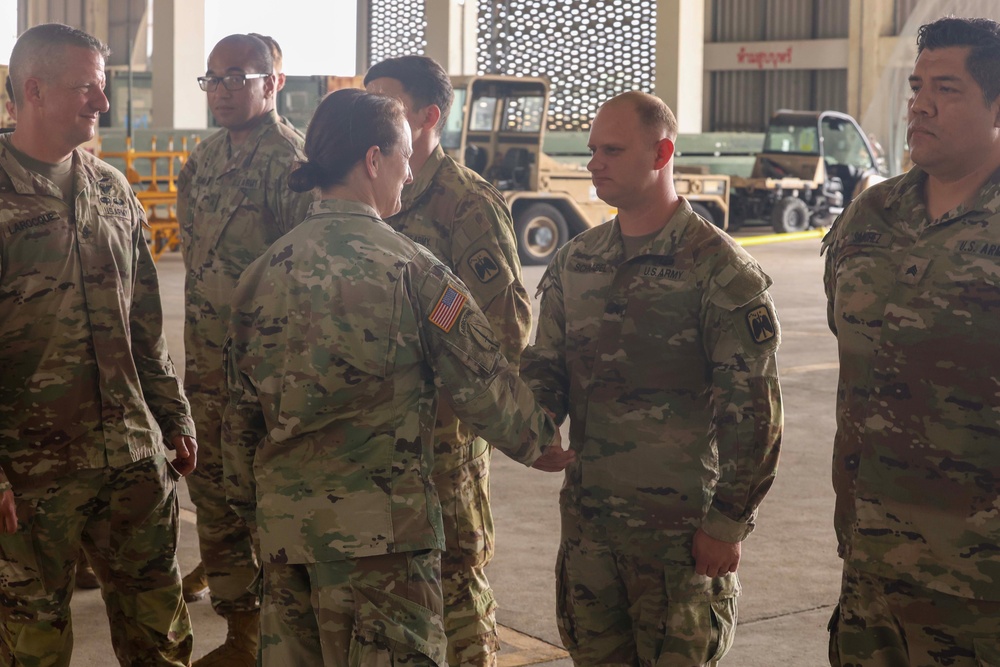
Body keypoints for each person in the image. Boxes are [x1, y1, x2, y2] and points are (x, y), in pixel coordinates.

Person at [221, 88, 574, 667]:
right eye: (405, 158)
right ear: (372, 160)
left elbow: (236, 414)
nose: (410, 175)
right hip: (383, 541)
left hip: (286, 535)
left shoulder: (262, 272)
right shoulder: (413, 270)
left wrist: (249, 507)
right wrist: (538, 441)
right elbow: (481, 378)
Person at [520, 91, 783, 666]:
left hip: (680, 540)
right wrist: (534, 428)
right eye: (593, 150)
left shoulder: (718, 268)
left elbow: (754, 411)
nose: (595, 163)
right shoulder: (577, 261)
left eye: (612, 150)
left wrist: (729, 521)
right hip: (590, 531)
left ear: (661, 152)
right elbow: (547, 365)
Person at [0, 23, 196, 666]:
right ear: (33, 90)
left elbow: (143, 320)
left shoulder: (112, 188)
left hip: (132, 459)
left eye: (102, 88)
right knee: (32, 642)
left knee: (160, 637)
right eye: (86, 88)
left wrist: (172, 414)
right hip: (31, 474)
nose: (101, 104)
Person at [823, 16, 1000, 666]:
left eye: (947, 89)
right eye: (917, 85)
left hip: (982, 582)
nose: (920, 103)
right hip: (871, 560)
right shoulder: (869, 216)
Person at [364, 55, 532, 666]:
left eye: (386, 103)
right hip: (376, 437)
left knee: (455, 583)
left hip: (442, 440)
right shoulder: (367, 189)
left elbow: (505, 333)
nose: (371, 116)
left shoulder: (465, 204)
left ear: (428, 116)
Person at [177, 32, 313, 666]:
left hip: (266, 380)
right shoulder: (201, 162)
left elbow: (307, 280)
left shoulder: (293, 166)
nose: (223, 90)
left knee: (269, 507)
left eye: (237, 76)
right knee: (212, 496)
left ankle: (284, 637)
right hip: (207, 373)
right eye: (213, 79)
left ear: (273, 83)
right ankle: (242, 631)